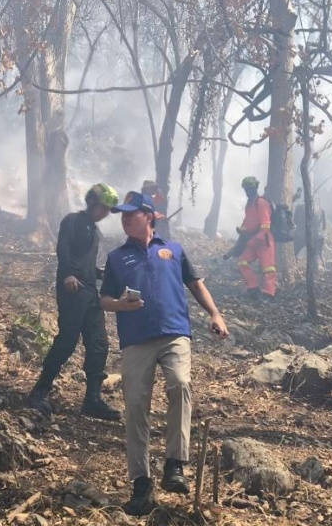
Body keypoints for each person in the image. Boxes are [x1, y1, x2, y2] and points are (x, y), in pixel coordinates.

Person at [100, 190, 230, 516]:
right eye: (122, 215)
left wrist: (215, 314)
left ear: (149, 216)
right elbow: (104, 300)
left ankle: (175, 464)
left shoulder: (173, 250)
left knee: (180, 384)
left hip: (175, 333)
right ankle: (141, 484)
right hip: (136, 340)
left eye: (131, 214)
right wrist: (120, 305)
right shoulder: (117, 257)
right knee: (135, 407)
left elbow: (195, 283)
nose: (125, 219)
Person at [27, 183, 123, 420]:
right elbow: (64, 249)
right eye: (102, 207)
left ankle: (92, 400)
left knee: (99, 343)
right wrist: (68, 274)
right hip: (72, 290)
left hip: (90, 293)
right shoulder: (72, 221)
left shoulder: (95, 230)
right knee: (67, 341)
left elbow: (85, 261)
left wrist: (101, 273)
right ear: (91, 202)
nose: (105, 213)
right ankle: (39, 391)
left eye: (108, 210)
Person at [223, 176, 277, 298]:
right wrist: (242, 232)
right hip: (252, 241)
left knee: (268, 267)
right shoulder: (249, 204)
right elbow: (248, 221)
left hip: (264, 241)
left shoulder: (261, 203)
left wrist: (256, 239)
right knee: (242, 261)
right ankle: (253, 287)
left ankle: (269, 292)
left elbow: (265, 224)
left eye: (249, 188)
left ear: (255, 188)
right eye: (246, 189)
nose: (247, 191)